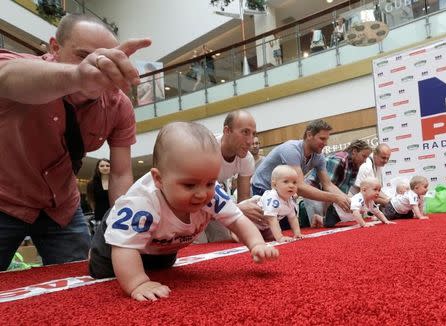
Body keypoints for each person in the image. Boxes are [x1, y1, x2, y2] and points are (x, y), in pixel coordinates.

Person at [0, 13, 151, 271]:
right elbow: (7, 77)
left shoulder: (119, 106)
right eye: (84, 56)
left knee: (84, 283)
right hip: (4, 200)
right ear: (54, 47)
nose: (97, 68)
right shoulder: (21, 68)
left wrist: (124, 230)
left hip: (62, 209)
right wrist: (77, 76)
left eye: (106, 60)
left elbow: (121, 173)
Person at [88, 122, 279, 301]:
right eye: (189, 185)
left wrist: (256, 244)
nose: (202, 194)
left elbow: (237, 220)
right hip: (118, 238)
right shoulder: (141, 203)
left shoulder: (213, 194)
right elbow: (124, 246)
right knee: (104, 270)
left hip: (162, 244)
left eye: (210, 183)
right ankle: (94, 255)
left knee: (162, 267)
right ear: (159, 180)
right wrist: (138, 283)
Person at [252, 119, 351, 230]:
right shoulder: (291, 149)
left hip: (283, 191)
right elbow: (299, 187)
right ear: (309, 135)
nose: (325, 143)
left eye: (327, 139)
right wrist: (336, 198)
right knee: (270, 231)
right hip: (263, 188)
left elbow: (328, 185)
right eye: (322, 138)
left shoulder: (319, 157)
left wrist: (347, 200)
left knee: (287, 229)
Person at [202, 111, 264, 242]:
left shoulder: (247, 159)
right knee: (194, 246)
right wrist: (238, 209)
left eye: (253, 134)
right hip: (187, 205)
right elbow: (196, 196)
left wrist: (242, 229)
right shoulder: (206, 149)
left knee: (223, 240)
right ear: (227, 131)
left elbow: (244, 200)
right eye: (245, 132)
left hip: (214, 200)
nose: (250, 141)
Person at [304, 139, 372, 227]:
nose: (365, 161)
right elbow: (327, 186)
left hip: (329, 193)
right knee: (319, 225)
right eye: (364, 156)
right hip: (314, 191)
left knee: (327, 223)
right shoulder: (339, 159)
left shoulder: (355, 166)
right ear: (354, 151)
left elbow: (343, 189)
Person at [253, 165, 303, 243]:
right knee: (251, 236)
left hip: (264, 226)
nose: (291, 185)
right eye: (286, 181)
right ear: (275, 185)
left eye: (294, 182)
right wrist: (280, 238)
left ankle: (261, 233)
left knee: (271, 234)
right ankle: (236, 232)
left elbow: (293, 218)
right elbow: (271, 218)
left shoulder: (289, 200)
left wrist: (297, 233)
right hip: (251, 222)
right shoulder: (272, 197)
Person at [323, 177, 395, 228]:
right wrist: (363, 224)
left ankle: (323, 219)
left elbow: (378, 212)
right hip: (334, 211)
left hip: (342, 217)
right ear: (364, 190)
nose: (378, 193)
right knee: (328, 224)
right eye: (375, 189)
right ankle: (319, 218)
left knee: (331, 223)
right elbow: (355, 212)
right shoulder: (359, 198)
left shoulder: (370, 202)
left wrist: (385, 221)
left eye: (379, 190)